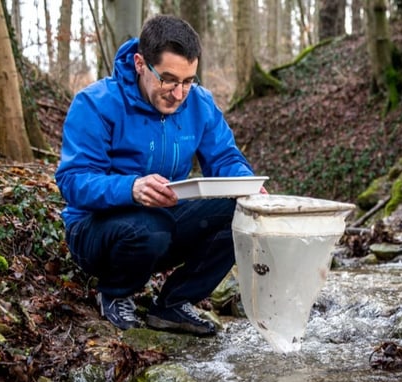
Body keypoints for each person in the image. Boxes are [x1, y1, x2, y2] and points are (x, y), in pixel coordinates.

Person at [55, 14, 260, 337]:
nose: (179, 94)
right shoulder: (95, 104)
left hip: (161, 220)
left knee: (242, 211)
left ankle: (174, 304)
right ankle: (115, 292)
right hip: (95, 232)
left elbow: (224, 157)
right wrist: (131, 188)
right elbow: (73, 182)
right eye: (168, 79)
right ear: (140, 63)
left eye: (188, 81)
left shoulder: (199, 103)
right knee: (150, 227)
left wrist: (246, 185)